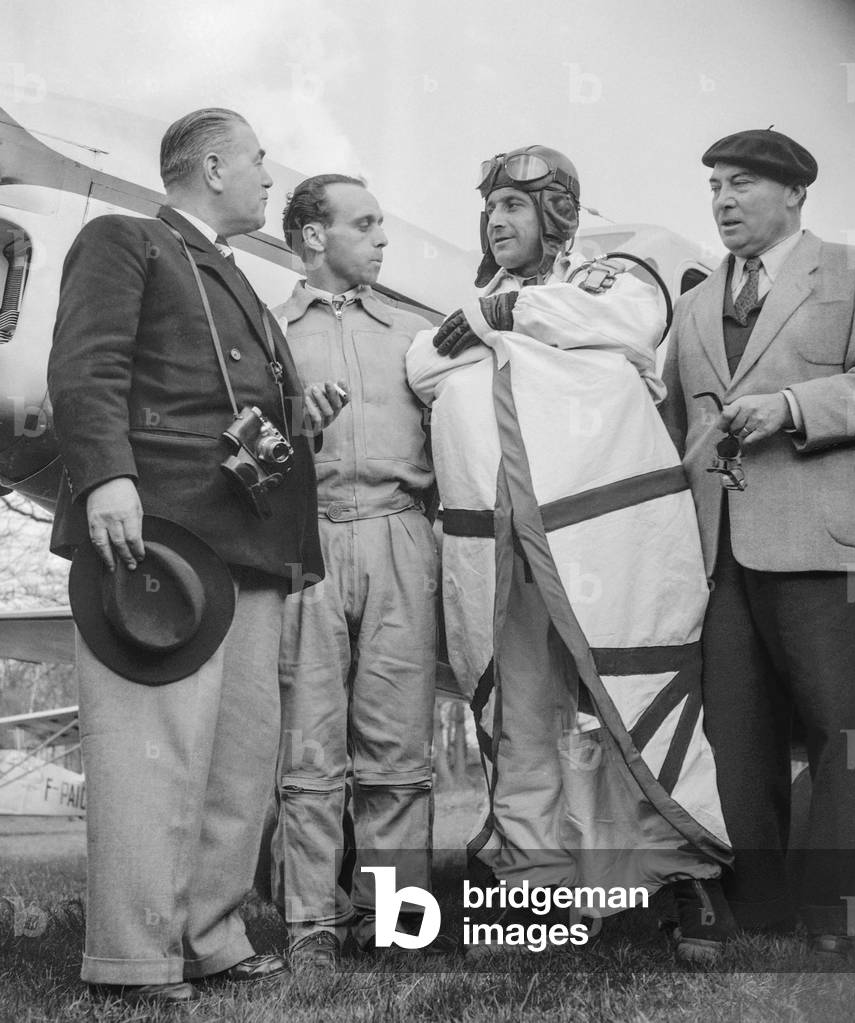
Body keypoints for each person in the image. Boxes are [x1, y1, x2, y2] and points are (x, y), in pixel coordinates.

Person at [407, 146, 735, 960]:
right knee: (518, 718)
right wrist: (501, 321)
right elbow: (421, 364)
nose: (496, 222)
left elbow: (626, 326)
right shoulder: (476, 302)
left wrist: (508, 323)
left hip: (605, 539)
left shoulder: (606, 278)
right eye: (490, 210)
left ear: (555, 214)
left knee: (639, 700)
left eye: (514, 207)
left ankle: (683, 870)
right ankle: (533, 881)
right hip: (501, 555)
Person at [48, 108, 343, 1003]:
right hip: (158, 542)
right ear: (213, 167)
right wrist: (106, 477)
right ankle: (134, 958)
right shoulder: (124, 238)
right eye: (259, 160)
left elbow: (226, 405)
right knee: (154, 754)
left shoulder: (237, 276)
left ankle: (209, 937)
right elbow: (85, 365)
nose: (270, 177)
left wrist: (301, 420)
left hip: (249, 542)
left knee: (239, 759)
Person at [660, 128, 855, 951]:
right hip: (720, 556)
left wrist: (792, 408)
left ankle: (831, 910)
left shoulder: (846, 271)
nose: (723, 200)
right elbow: (674, 426)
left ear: (795, 194)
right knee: (734, 736)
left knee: (838, 727)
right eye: (713, 186)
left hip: (823, 548)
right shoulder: (694, 301)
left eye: (741, 184)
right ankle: (763, 909)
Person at [268, 174, 438, 966]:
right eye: (364, 223)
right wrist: (295, 428)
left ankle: (395, 921)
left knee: (398, 751)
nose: (380, 238)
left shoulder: (417, 336)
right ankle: (311, 927)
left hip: (404, 541)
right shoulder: (266, 333)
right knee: (308, 754)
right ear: (311, 237)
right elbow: (240, 458)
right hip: (308, 545)